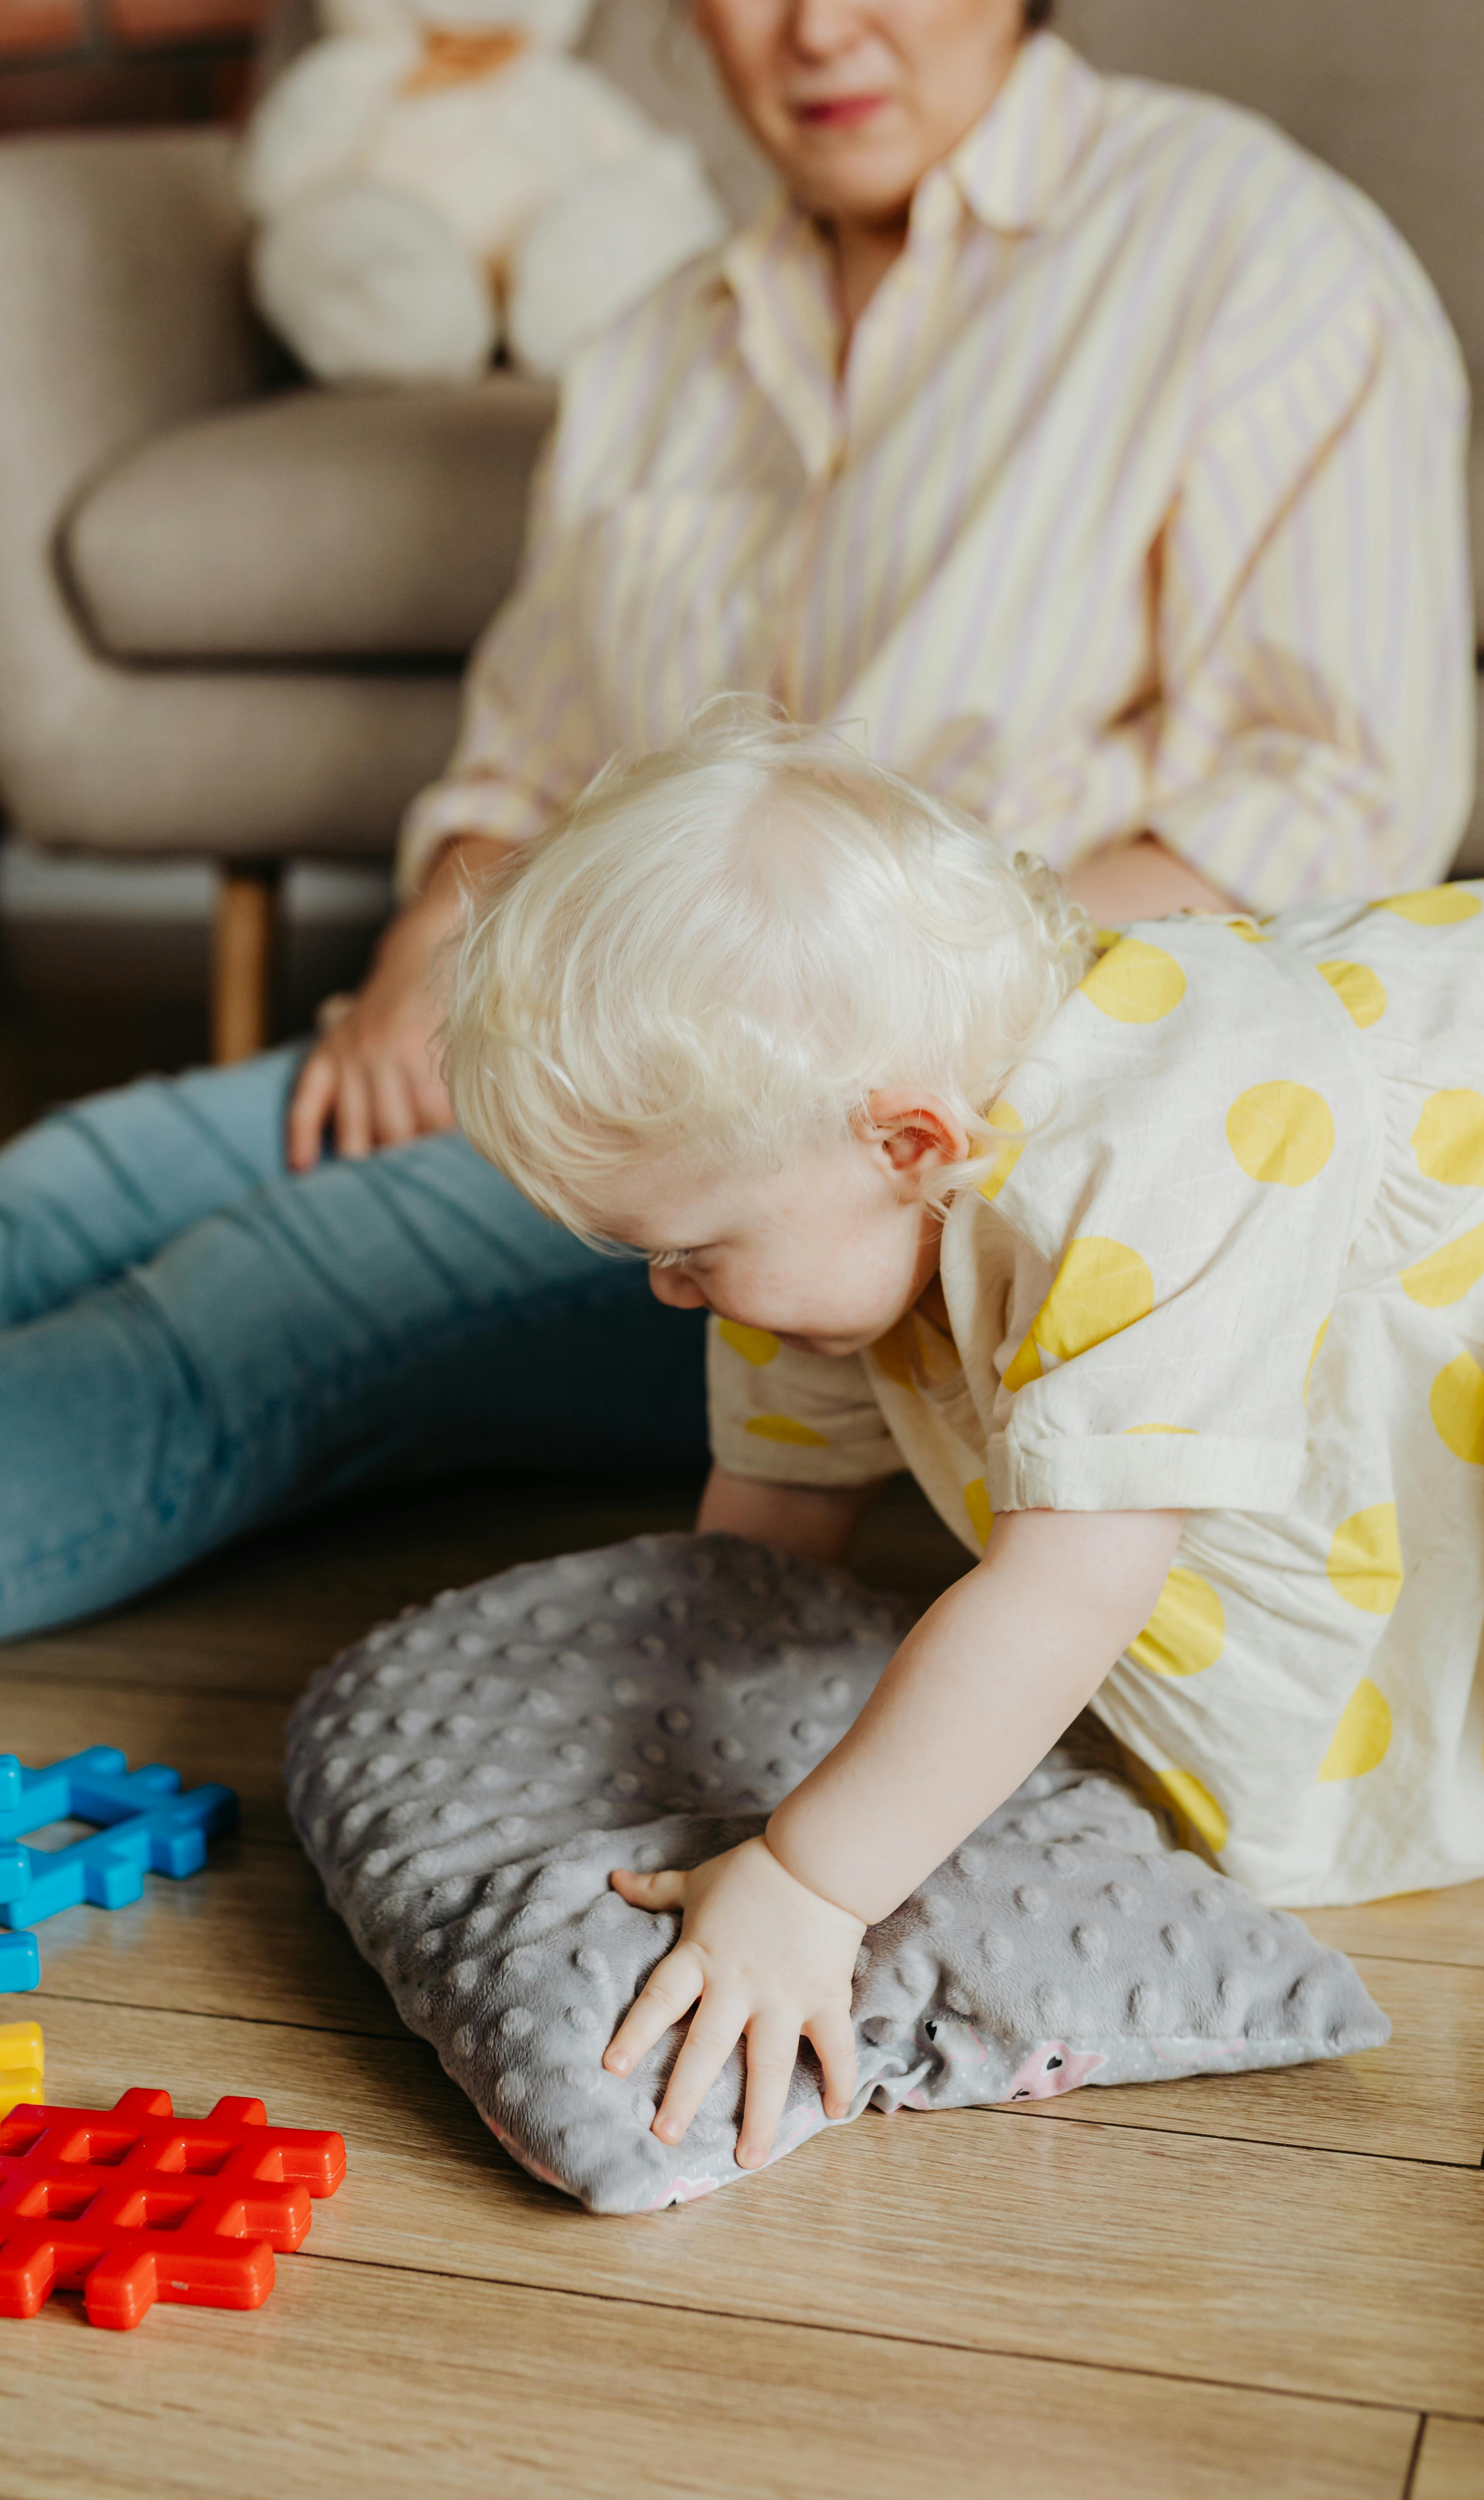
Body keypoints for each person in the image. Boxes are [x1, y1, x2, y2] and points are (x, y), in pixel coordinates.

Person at [0, 0, 1469, 1663]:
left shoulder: (1256, 255)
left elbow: (1333, 808)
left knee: (252, 1297)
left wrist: (824, 1010)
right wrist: (418, 962)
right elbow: (524, 779)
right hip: (584, 1048)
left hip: (837, 1149)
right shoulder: (659, 340)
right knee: (81, 1185)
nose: (822, 29)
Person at [443, 707, 1484, 2171]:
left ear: (913, 1147)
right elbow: (766, 1527)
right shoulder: (815, 1198)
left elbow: (1071, 1587)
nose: (672, 1293)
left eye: (689, 1252)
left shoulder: (1153, 1163)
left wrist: (810, 1883)